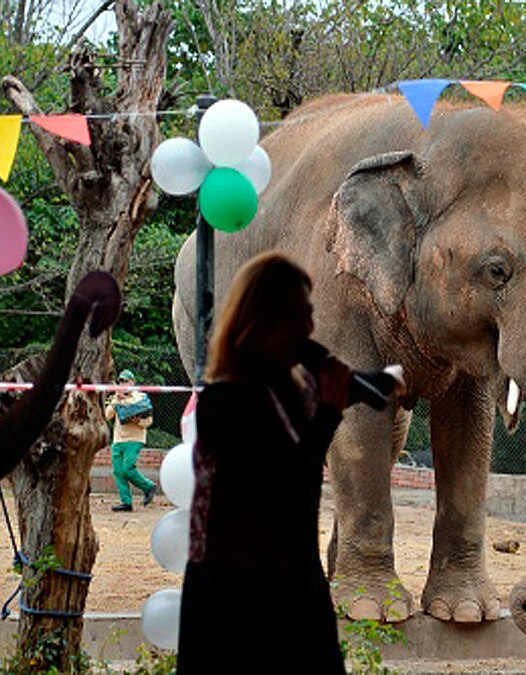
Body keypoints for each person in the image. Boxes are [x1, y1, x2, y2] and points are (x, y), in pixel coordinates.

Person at [178, 252, 353, 673]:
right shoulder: (227, 401)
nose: (310, 329)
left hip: (288, 584)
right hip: (237, 600)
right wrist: (328, 414)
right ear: (263, 319)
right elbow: (287, 487)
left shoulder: (282, 394)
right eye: (298, 315)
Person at [103, 369, 156, 512]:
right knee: (118, 472)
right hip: (118, 439)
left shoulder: (141, 397)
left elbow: (149, 420)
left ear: (133, 382)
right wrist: (115, 400)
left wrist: (138, 421)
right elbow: (107, 416)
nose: (123, 384)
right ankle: (126, 502)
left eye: (126, 381)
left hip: (135, 438)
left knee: (128, 468)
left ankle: (148, 486)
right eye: (121, 381)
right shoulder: (116, 398)